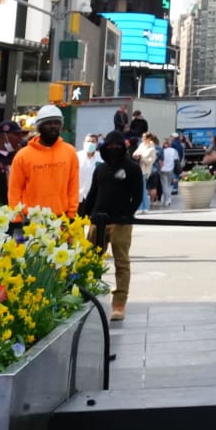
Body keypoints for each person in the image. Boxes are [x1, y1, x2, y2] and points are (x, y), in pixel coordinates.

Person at [82, 131, 141, 322]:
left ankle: (119, 304)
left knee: (121, 262)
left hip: (121, 222)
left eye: (116, 146)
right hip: (98, 220)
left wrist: (126, 215)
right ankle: (90, 296)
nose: (113, 150)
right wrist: (81, 215)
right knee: (90, 260)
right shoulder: (100, 169)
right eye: (109, 147)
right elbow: (93, 194)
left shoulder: (132, 168)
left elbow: (138, 196)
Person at [8, 105, 80, 217]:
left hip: (61, 218)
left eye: (56, 123)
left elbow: (73, 186)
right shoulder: (23, 155)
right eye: (48, 123)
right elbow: (14, 190)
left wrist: (72, 214)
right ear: (39, 127)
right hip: (31, 221)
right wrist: (16, 218)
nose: (53, 126)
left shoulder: (70, 152)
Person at [78, 133, 101, 200]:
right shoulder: (76, 157)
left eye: (93, 141)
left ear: (97, 144)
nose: (90, 143)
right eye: (88, 141)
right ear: (84, 143)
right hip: (79, 196)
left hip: (95, 197)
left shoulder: (101, 158)